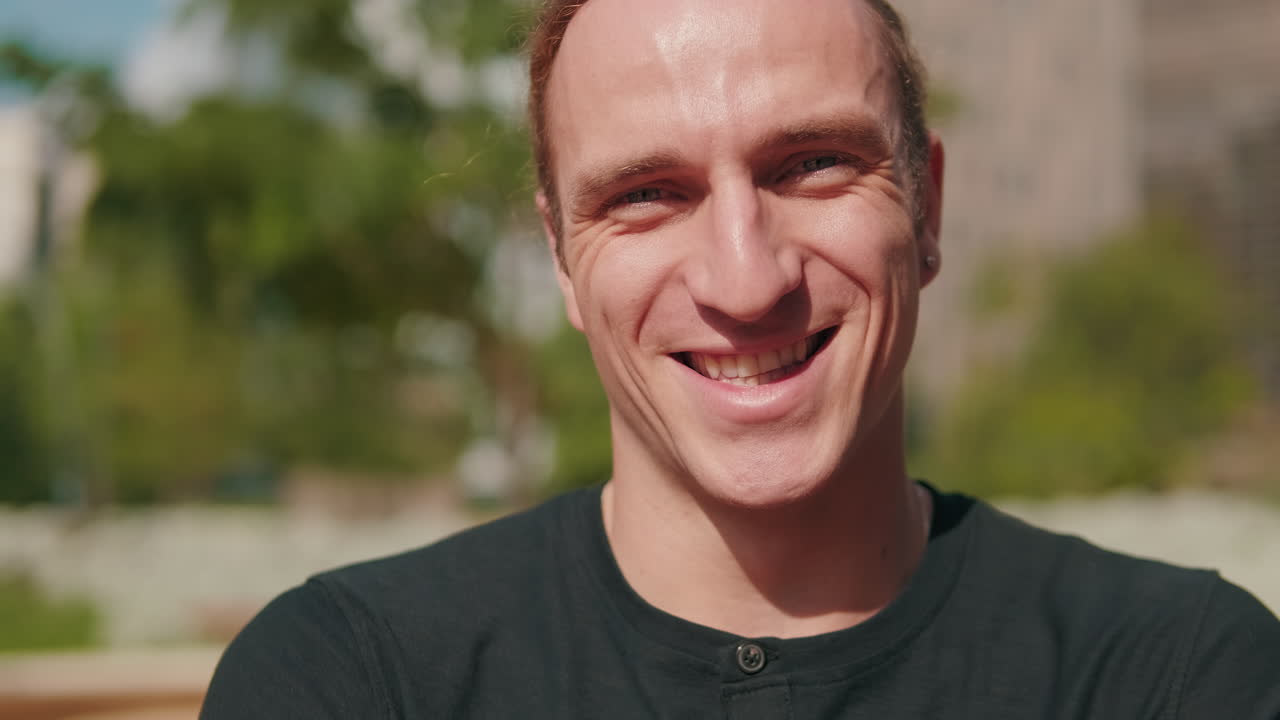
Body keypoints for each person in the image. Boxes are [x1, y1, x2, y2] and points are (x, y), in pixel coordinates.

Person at [200, 0, 1280, 717]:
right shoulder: (351, 685)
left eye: (810, 164)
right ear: (563, 265)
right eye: (645, 194)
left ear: (928, 204)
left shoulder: (1173, 678)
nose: (743, 278)